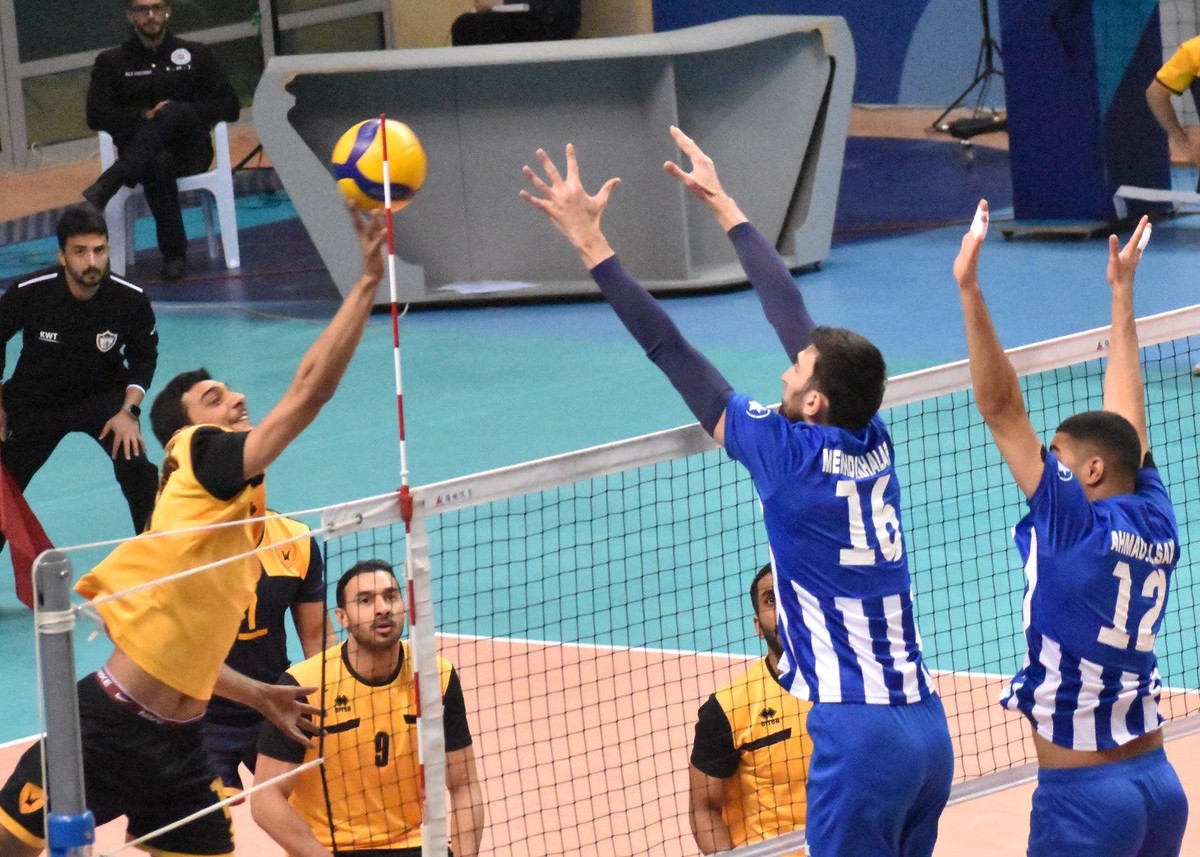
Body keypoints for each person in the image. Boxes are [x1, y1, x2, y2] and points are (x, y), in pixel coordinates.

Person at [521, 127, 954, 856]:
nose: (786, 368)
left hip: (860, 733)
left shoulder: (783, 453)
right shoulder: (871, 435)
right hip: (928, 727)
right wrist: (724, 203)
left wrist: (590, 243)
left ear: (814, 401)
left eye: (797, 370)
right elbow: (792, 317)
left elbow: (670, 349)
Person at [0, 205, 388, 857]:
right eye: (214, 397)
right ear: (184, 430)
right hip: (106, 725)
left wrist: (261, 695)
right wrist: (367, 283)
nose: (236, 399)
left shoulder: (224, 516)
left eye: (231, 391)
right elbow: (309, 393)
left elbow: (186, 647)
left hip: (182, 744)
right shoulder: (203, 453)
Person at [952, 202, 1189, 855]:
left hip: (1086, 802)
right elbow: (1128, 426)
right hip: (1159, 787)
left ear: (1090, 470)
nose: (1046, 464)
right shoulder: (1155, 516)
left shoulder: (1071, 527)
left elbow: (1001, 407)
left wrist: (969, 288)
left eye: (1056, 456)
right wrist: (1122, 296)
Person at [252, 559, 486, 857]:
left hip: (415, 845)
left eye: (390, 596)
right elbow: (265, 799)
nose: (382, 608)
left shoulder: (434, 676)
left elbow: (464, 786)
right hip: (332, 848)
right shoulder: (305, 686)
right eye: (365, 600)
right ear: (342, 617)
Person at [0, 204, 158, 557]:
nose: (91, 261)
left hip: (102, 398)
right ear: (62, 256)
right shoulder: (29, 292)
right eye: (80, 251)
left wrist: (129, 412)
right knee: (2, 487)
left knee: (137, 467)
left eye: (99, 250)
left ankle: (161, 562)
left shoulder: (130, 299)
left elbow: (144, 358)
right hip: (36, 399)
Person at [84, 0, 241, 281]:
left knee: (173, 111)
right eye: (142, 10)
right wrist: (143, 116)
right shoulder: (111, 62)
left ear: (168, 11)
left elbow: (230, 106)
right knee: (158, 162)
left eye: (157, 8)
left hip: (191, 152)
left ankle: (113, 179)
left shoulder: (196, 53)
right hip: (145, 160)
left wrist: (183, 112)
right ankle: (174, 256)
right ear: (130, 15)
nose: (151, 16)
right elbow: (96, 116)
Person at [203, 511, 336, 798]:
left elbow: (316, 636)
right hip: (200, 718)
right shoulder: (183, 543)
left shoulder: (295, 539)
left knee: (311, 805)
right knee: (201, 819)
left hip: (276, 709)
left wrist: (336, 700)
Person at [688, 563, 811, 855]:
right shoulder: (729, 709)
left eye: (792, 594)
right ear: (757, 625)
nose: (784, 609)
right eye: (771, 599)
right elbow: (703, 809)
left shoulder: (855, 690)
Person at [1145, 34, 1200, 174]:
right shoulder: (1194, 50)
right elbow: (1156, 93)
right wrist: (1183, 143)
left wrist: (1182, 142)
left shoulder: (1194, 49)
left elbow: (1155, 94)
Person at [450, 0, 581, 46]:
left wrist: (503, 2)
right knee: (464, 25)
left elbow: (556, 11)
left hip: (546, 27)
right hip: (507, 20)